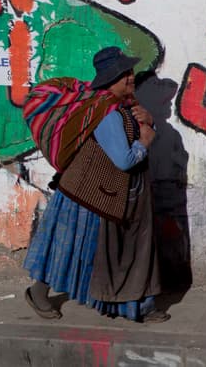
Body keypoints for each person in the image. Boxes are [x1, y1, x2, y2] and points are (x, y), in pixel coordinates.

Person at [21, 46, 166, 323]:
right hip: (86, 194)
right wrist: (146, 141)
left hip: (108, 193)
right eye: (125, 74)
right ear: (113, 78)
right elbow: (124, 159)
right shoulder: (106, 112)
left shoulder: (125, 106)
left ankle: (138, 308)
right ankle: (37, 293)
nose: (131, 77)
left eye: (130, 72)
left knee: (118, 252)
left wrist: (150, 123)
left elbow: (140, 132)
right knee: (67, 250)